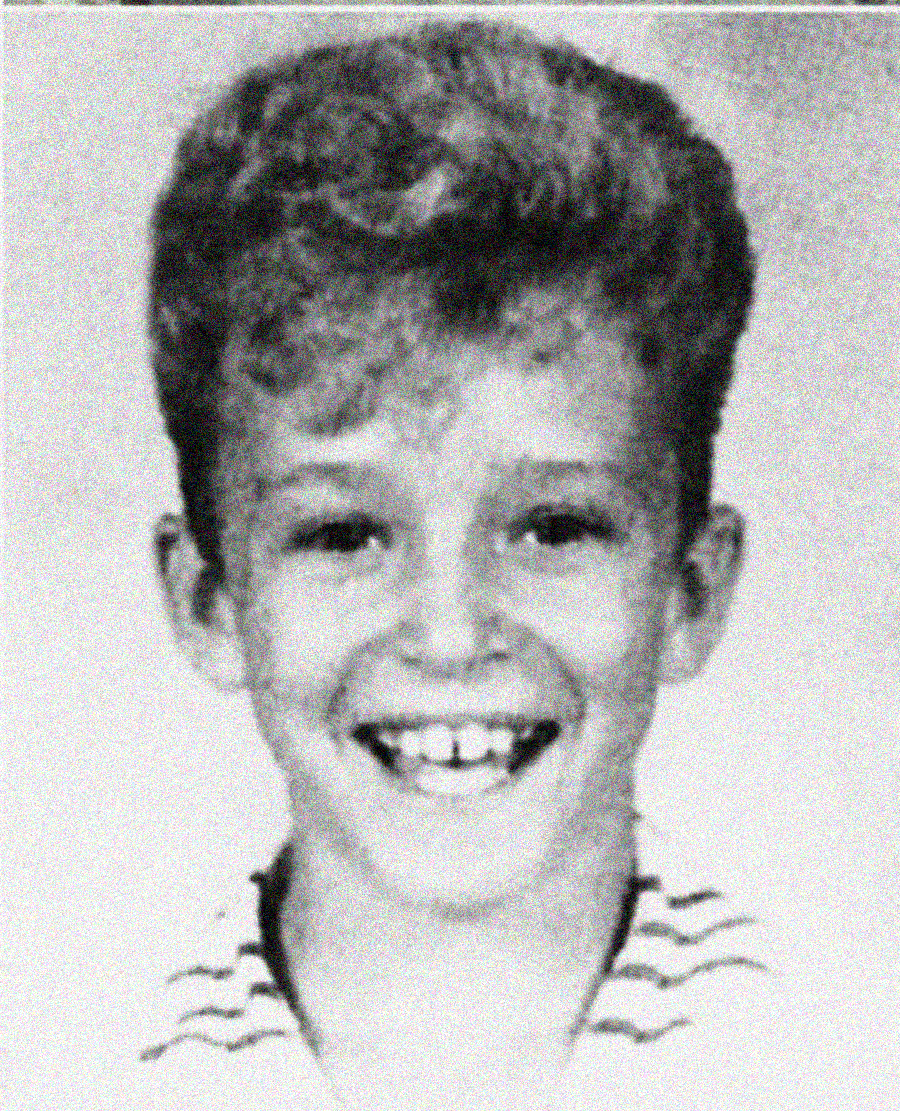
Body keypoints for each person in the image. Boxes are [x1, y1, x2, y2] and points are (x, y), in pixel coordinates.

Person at [142, 20, 766, 1110]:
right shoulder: (82, 1074)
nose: (448, 632)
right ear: (209, 601)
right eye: (342, 534)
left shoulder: (837, 1048)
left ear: (689, 591)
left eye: (555, 527)